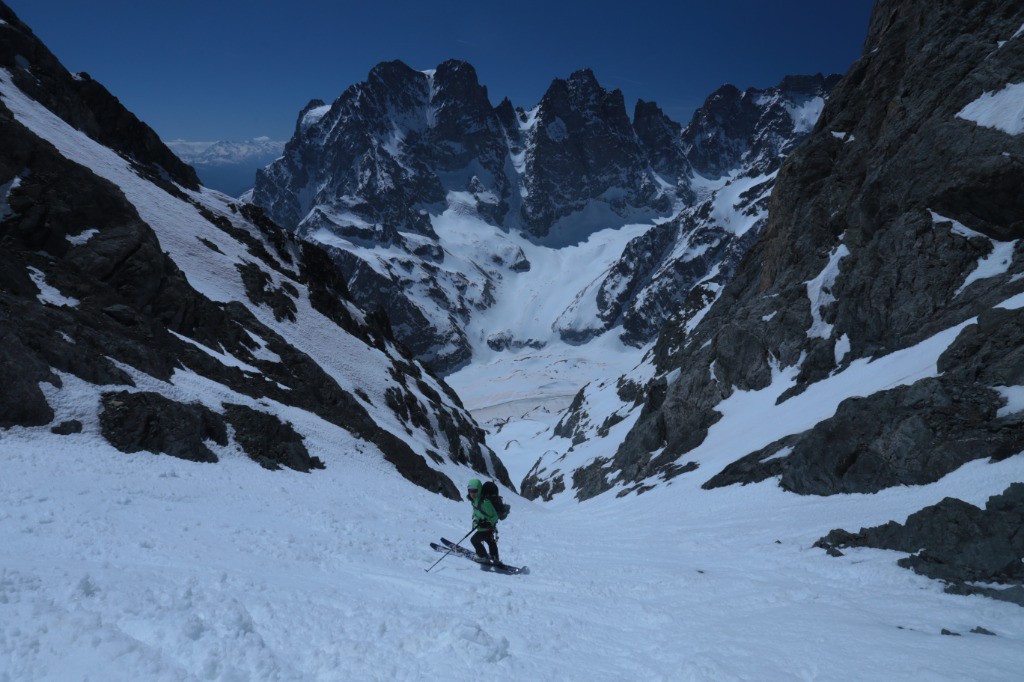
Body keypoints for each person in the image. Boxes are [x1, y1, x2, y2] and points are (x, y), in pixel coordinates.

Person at [467, 479, 500, 564]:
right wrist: (476, 522)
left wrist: (488, 522)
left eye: (475, 491)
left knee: (474, 540)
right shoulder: (475, 501)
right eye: (470, 491)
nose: (472, 493)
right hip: (483, 527)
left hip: (486, 528)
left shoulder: (485, 502)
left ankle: (483, 557)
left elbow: (495, 516)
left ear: (479, 490)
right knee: (490, 542)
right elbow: (476, 514)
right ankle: (495, 558)